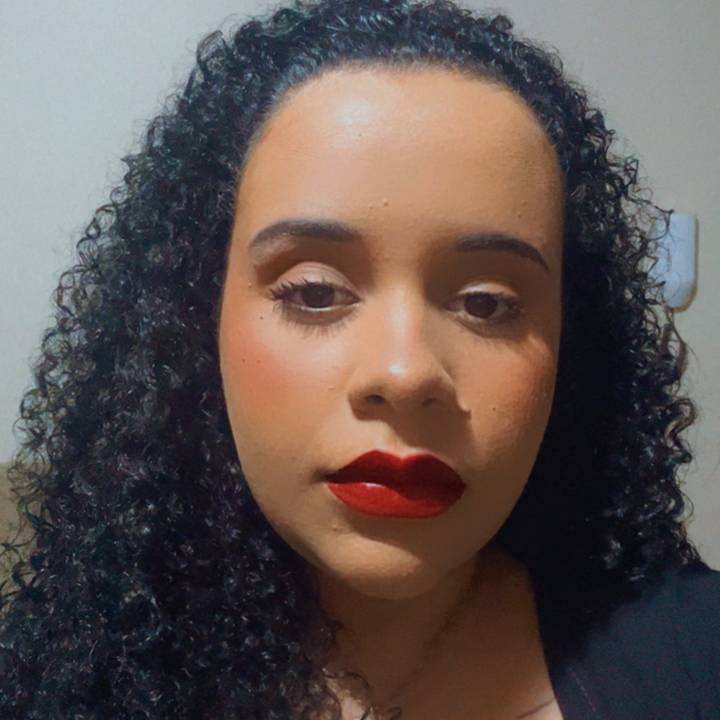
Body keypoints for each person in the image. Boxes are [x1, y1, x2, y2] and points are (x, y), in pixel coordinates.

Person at [0, 0, 717, 718]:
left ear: (572, 342)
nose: (404, 375)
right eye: (314, 292)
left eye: (486, 303)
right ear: (195, 321)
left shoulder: (694, 658)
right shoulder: (58, 674)